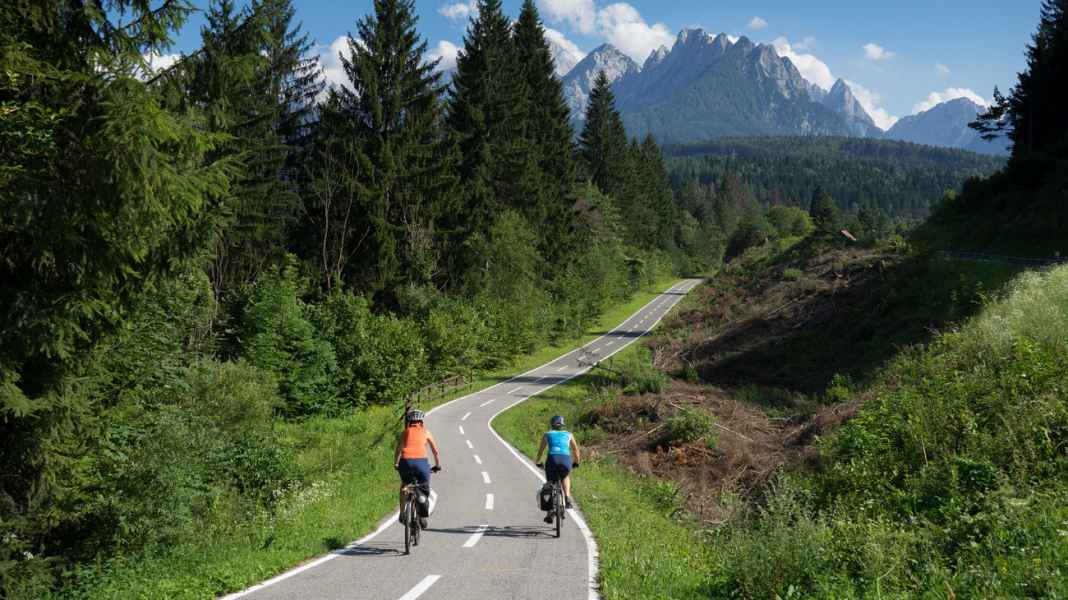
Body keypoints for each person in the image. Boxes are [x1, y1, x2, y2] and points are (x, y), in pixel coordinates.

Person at [394, 409, 441, 528]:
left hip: (405, 462)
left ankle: (402, 513)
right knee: (424, 487)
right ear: (421, 422)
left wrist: (396, 463)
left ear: (410, 422)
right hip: (421, 464)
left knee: (404, 485)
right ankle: (422, 517)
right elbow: (435, 451)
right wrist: (437, 465)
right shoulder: (426, 432)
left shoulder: (405, 432)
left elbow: (398, 449)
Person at [534, 415, 581, 523]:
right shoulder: (569, 434)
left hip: (552, 459)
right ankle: (567, 498)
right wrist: (576, 462)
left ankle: (549, 512)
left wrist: (537, 462)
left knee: (550, 483)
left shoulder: (547, 434)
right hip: (565, 460)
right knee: (565, 476)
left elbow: (541, 451)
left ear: (552, 425)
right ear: (562, 425)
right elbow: (576, 451)